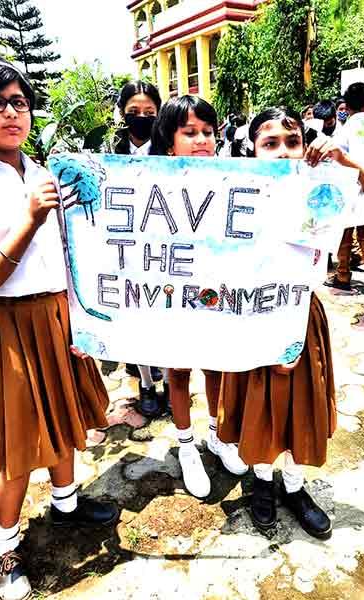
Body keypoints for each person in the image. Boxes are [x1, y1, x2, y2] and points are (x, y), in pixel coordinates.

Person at [0, 52, 118, 600]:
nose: (12, 113)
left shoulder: (50, 173)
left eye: (20, 103)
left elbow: (74, 253)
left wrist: (83, 318)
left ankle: (67, 504)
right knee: (15, 445)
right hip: (6, 325)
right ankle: (4, 549)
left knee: (65, 417)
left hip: (57, 313)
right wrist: (29, 218)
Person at [216, 106, 364, 539]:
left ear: (306, 145)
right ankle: (262, 483)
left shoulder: (325, 190)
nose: (283, 151)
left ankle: (295, 487)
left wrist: (345, 161)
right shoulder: (233, 191)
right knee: (260, 405)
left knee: (302, 407)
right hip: (252, 314)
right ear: (251, 150)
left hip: (302, 312)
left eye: (292, 141)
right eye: (270, 143)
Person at [149, 95, 250, 498]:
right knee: (178, 371)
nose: (202, 140)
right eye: (190, 133)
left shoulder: (231, 181)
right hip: (171, 294)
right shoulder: (149, 186)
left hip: (216, 294)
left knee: (215, 368)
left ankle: (217, 435)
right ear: (170, 141)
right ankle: (186, 444)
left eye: (208, 132)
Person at [111, 80, 170, 417]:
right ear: (122, 114)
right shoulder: (108, 150)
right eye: (134, 112)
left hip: (167, 250)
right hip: (127, 252)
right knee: (137, 317)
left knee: (166, 314)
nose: (142, 118)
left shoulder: (170, 149)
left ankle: (171, 382)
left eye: (149, 112)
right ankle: (146, 383)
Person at [325, 82, 364, 294]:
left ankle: (343, 275)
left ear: (346, 103)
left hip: (348, 188)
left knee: (345, 234)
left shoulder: (343, 132)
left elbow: (336, 161)